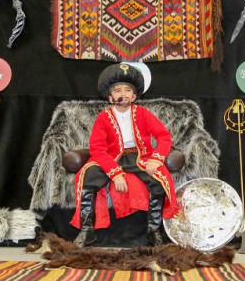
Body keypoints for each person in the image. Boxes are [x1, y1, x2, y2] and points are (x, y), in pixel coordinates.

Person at [71, 63, 180, 247]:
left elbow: (164, 136)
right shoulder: (103, 117)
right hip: (111, 157)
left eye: (128, 90)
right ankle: (87, 230)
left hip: (140, 156)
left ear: (134, 96)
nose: (124, 94)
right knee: (86, 177)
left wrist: (157, 158)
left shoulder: (143, 113)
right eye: (118, 90)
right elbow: (97, 149)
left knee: (159, 180)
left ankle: (154, 231)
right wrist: (115, 173)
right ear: (110, 97)